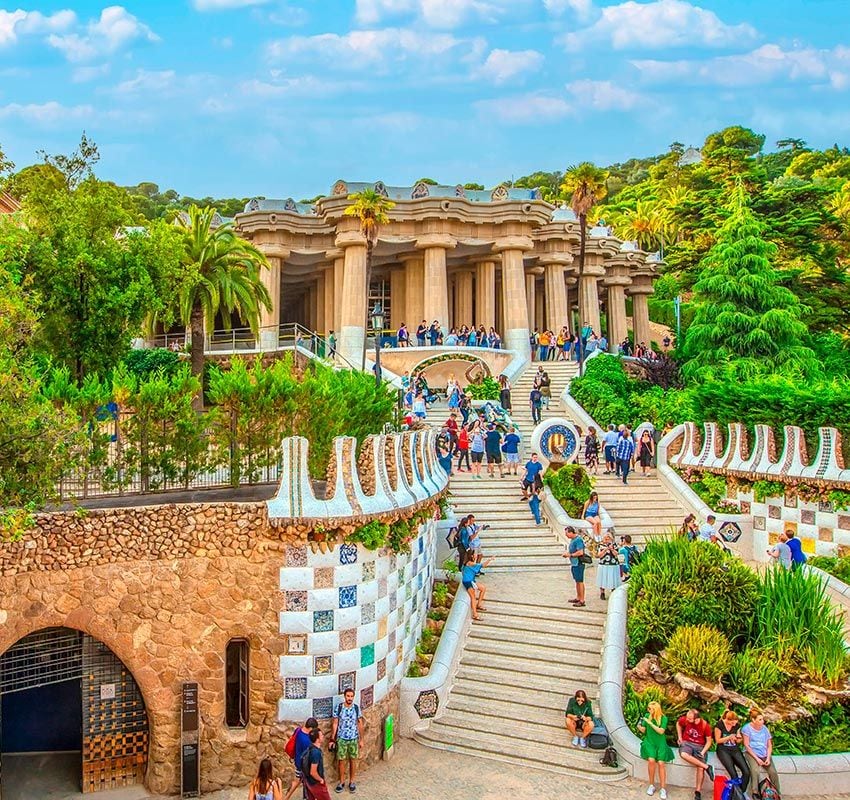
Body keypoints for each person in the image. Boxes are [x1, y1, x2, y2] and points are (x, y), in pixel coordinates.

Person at [676, 708, 715, 800]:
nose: (687, 720)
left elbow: (709, 741)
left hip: (700, 746)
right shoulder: (686, 719)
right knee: (684, 754)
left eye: (690, 719)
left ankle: (698, 791)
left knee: (700, 768)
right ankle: (707, 767)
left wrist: (703, 752)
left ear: (696, 719)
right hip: (687, 743)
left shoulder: (705, 726)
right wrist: (680, 737)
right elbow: (678, 723)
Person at [638, 701, 674, 799]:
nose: (648, 710)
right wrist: (639, 726)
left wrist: (650, 722)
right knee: (651, 760)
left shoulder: (663, 718)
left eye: (650, 709)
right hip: (649, 741)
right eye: (648, 708)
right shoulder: (647, 715)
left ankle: (663, 788)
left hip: (660, 743)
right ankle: (651, 785)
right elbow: (644, 730)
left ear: (655, 709)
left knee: (661, 763)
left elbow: (661, 731)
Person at [331, 688, 364, 794]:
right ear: (345, 696)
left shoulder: (356, 708)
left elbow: (360, 723)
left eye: (351, 696)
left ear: (353, 697)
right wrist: (333, 738)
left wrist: (361, 739)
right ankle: (341, 782)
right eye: (348, 696)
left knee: (353, 760)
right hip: (341, 738)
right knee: (341, 761)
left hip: (353, 738)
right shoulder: (339, 708)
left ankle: (352, 781)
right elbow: (335, 723)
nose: (349, 698)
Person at [742, 709, 780, 799]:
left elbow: (769, 745)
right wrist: (757, 759)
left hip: (764, 754)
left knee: (773, 772)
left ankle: (777, 792)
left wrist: (767, 757)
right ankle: (755, 792)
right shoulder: (747, 728)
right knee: (755, 771)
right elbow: (746, 745)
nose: (762, 721)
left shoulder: (765, 729)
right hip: (752, 753)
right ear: (753, 720)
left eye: (762, 719)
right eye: (759, 719)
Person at [714, 709, 750, 794]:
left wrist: (738, 739)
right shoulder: (719, 725)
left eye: (735, 723)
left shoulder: (737, 726)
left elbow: (738, 739)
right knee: (734, 774)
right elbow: (718, 740)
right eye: (733, 723)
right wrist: (729, 737)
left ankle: (741, 792)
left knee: (746, 772)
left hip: (735, 749)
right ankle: (736, 794)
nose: (734, 724)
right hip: (723, 750)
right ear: (728, 720)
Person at [283, 718, 319, 800]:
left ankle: (286, 798)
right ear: (310, 728)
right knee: (308, 783)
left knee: (297, 781)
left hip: (298, 762)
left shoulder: (298, 730)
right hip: (304, 766)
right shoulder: (307, 740)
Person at [301, 728, 331, 800]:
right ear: (317, 739)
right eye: (321, 735)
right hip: (316, 783)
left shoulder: (310, 748)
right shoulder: (316, 753)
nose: (323, 736)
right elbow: (313, 772)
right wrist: (321, 780)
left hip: (309, 781)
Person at [462, 551, 493, 620]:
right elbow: (483, 565)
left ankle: (479, 604)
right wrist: (490, 559)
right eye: (474, 555)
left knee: (483, 588)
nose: (476, 556)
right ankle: (475, 614)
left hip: (471, 580)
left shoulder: (467, 563)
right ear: (472, 556)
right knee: (473, 597)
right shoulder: (471, 564)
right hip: (468, 582)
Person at [564, 526, 586, 607]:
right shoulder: (573, 540)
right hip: (574, 563)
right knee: (577, 581)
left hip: (578, 563)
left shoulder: (578, 540)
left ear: (570, 532)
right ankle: (578, 597)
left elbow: (580, 552)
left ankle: (582, 599)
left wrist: (570, 555)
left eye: (567, 533)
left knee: (580, 581)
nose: (566, 535)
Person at [596, 533, 621, 600]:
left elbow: (616, 554)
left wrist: (612, 549)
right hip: (603, 564)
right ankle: (602, 592)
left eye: (608, 539)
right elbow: (599, 555)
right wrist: (605, 549)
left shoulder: (614, 545)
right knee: (602, 578)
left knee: (613, 578)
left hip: (613, 564)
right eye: (606, 539)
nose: (607, 540)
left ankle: (613, 591)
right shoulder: (600, 545)